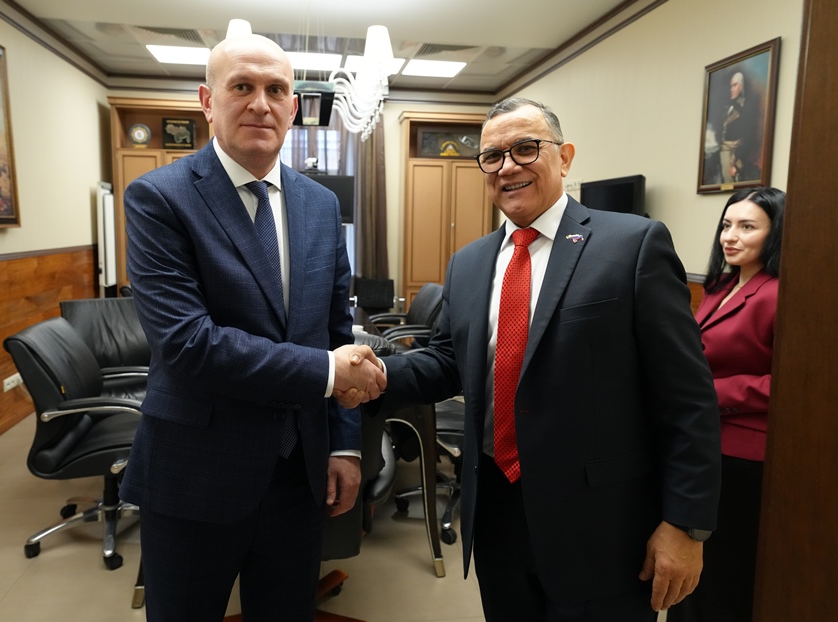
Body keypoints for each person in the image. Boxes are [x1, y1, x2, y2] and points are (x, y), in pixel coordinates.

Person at [376, 98, 722, 621]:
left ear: (565, 157)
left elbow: (687, 397)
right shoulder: (469, 263)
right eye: (492, 156)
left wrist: (685, 525)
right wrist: (375, 373)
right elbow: (447, 362)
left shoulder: (632, 245)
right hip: (496, 513)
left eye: (525, 148)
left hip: (601, 527)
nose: (507, 166)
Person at [120, 34, 385, 622]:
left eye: (276, 90)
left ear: (294, 108)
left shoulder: (320, 204)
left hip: (298, 475)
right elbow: (188, 344)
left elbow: (336, 331)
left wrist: (343, 444)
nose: (260, 103)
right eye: (242, 86)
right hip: (195, 474)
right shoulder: (159, 198)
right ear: (207, 101)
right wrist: (327, 371)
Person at [668, 187, 784, 622]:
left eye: (747, 227)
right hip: (705, 443)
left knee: (723, 574)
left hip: (744, 455)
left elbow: (792, 385)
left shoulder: (780, 294)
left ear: (776, 234)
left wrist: (712, 395)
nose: (730, 236)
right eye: (726, 225)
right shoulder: (720, 285)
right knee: (696, 572)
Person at [720, 72, 761, 183]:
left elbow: (747, 137)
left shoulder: (746, 108)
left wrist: (736, 164)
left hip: (737, 156)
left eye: (735, 85)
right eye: (731, 86)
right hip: (725, 153)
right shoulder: (728, 107)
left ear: (741, 86)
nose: (731, 89)